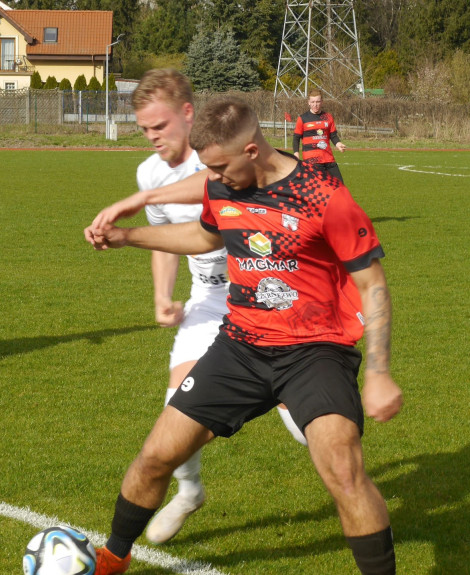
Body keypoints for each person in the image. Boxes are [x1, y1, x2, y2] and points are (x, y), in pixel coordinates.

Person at [86, 96, 402, 575]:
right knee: (156, 456)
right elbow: (206, 237)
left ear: (252, 151)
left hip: (315, 352)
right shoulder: (222, 187)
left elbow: (372, 283)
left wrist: (378, 372)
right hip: (239, 348)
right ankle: (112, 559)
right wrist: (130, 237)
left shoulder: (325, 197)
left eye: (219, 166)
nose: (212, 178)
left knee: (342, 467)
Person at [127, 69, 309, 546]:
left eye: (159, 127)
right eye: (144, 130)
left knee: (307, 427)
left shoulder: (223, 158)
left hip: (269, 297)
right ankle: (189, 493)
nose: (152, 138)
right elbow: (166, 241)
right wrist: (162, 296)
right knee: (175, 406)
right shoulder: (149, 172)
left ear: (188, 114)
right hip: (210, 300)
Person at [293, 90, 348, 184]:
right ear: (309, 103)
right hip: (312, 161)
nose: (315, 104)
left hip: (328, 158)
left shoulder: (328, 117)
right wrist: (296, 153)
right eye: (313, 102)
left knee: (339, 186)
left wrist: (338, 144)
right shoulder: (303, 118)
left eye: (318, 102)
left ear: (322, 102)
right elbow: (296, 138)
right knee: (319, 190)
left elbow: (333, 135)